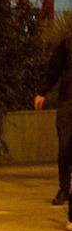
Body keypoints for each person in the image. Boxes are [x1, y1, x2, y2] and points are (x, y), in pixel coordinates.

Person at [34, 29, 72, 216]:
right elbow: (54, 68)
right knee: (65, 146)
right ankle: (64, 188)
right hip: (68, 101)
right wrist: (43, 92)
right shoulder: (68, 42)